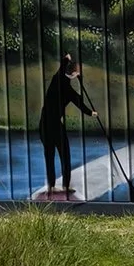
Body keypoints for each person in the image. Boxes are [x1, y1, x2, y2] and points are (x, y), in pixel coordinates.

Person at [38, 54, 96, 198]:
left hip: (44, 124)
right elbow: (79, 102)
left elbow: (78, 101)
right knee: (65, 155)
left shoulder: (57, 80)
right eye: (78, 71)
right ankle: (65, 185)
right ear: (74, 73)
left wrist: (66, 59)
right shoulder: (67, 89)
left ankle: (51, 186)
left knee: (49, 156)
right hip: (54, 126)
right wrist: (91, 113)